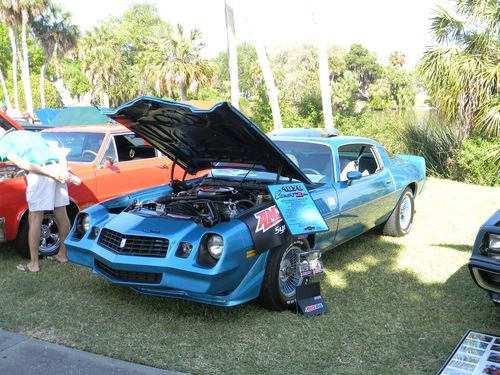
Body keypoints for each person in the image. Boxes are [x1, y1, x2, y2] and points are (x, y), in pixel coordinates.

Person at [0, 127, 71, 272]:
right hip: (57, 168)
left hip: (41, 174)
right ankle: (62, 255)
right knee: (62, 215)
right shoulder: (30, 134)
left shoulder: (4, 142)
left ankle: (34, 264)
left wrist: (49, 173)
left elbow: (22, 164)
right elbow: (59, 153)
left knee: (35, 218)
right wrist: (60, 171)